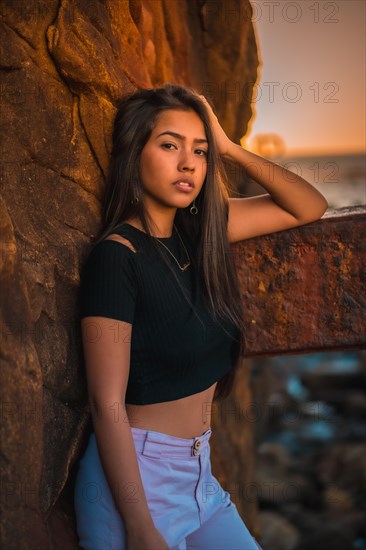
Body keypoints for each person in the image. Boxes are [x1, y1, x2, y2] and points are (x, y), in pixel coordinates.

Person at [74, 83, 328, 550]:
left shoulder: (199, 233)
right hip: (137, 483)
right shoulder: (118, 258)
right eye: (169, 145)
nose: (188, 162)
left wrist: (229, 147)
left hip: (198, 477)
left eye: (200, 150)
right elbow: (106, 403)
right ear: (135, 155)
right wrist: (139, 526)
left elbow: (310, 206)